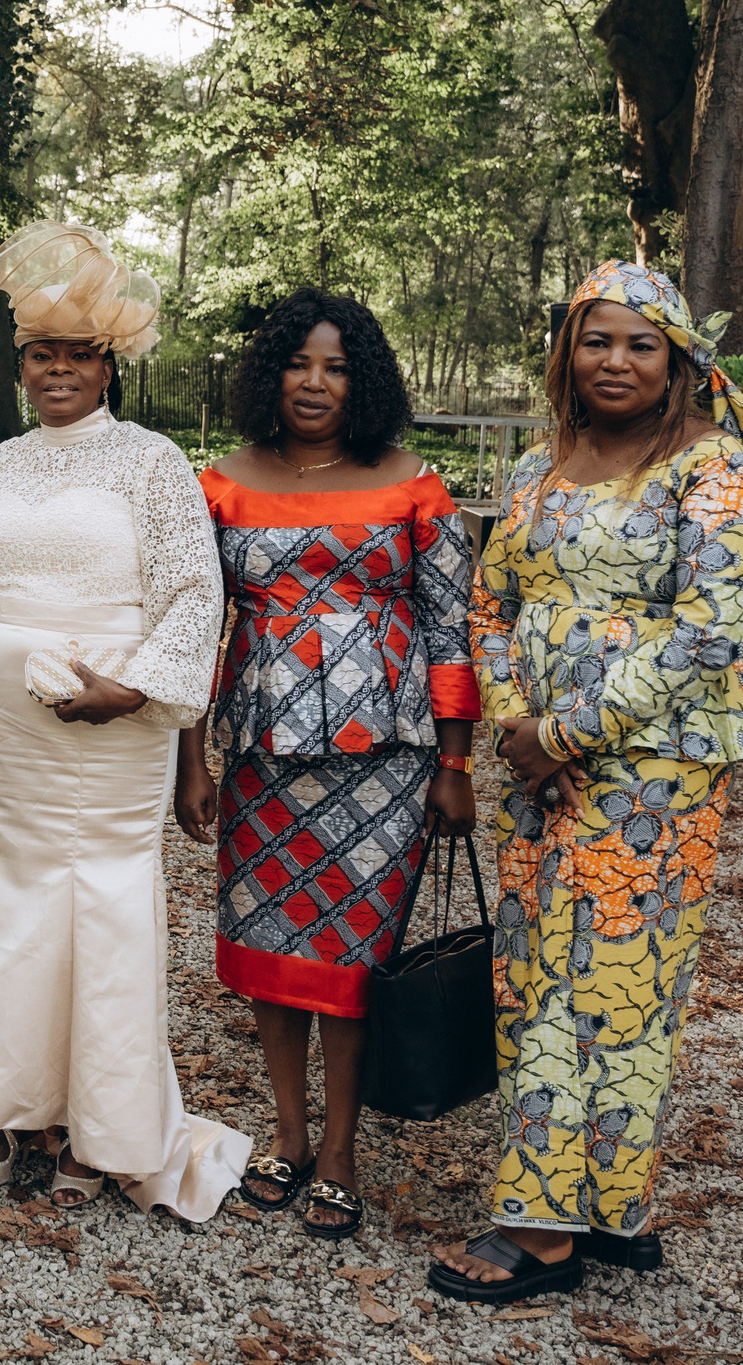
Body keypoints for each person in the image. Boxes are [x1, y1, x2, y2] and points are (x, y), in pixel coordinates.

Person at [429, 260, 743, 1306]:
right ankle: (604, 1211)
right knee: (536, 972)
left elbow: (712, 625)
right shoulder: (538, 467)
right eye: (596, 339)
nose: (614, 360)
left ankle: (541, 1227)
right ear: (565, 352)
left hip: (656, 776)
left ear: (676, 361)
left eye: (639, 343)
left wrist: (569, 729)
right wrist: (512, 719)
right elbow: (488, 603)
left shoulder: (715, 469)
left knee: (616, 987)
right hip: (539, 766)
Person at [0, 220, 247, 1219]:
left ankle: (90, 1123)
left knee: (101, 904)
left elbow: (196, 592)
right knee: (8, 891)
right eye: (40, 353)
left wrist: (140, 687)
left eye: (78, 353)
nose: (58, 368)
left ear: (108, 363)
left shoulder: (151, 463)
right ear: (20, 363)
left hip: (116, 717)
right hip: (9, 720)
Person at [174, 288, 480, 1243]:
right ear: (272, 373)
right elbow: (192, 629)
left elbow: (449, 626)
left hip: (386, 761)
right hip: (264, 751)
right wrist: (193, 758)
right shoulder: (218, 483)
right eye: (300, 363)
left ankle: (340, 1151)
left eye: (337, 366)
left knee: (352, 959)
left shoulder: (413, 482)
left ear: (366, 380)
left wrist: (456, 761)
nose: (316, 382)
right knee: (274, 953)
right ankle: (290, 1133)